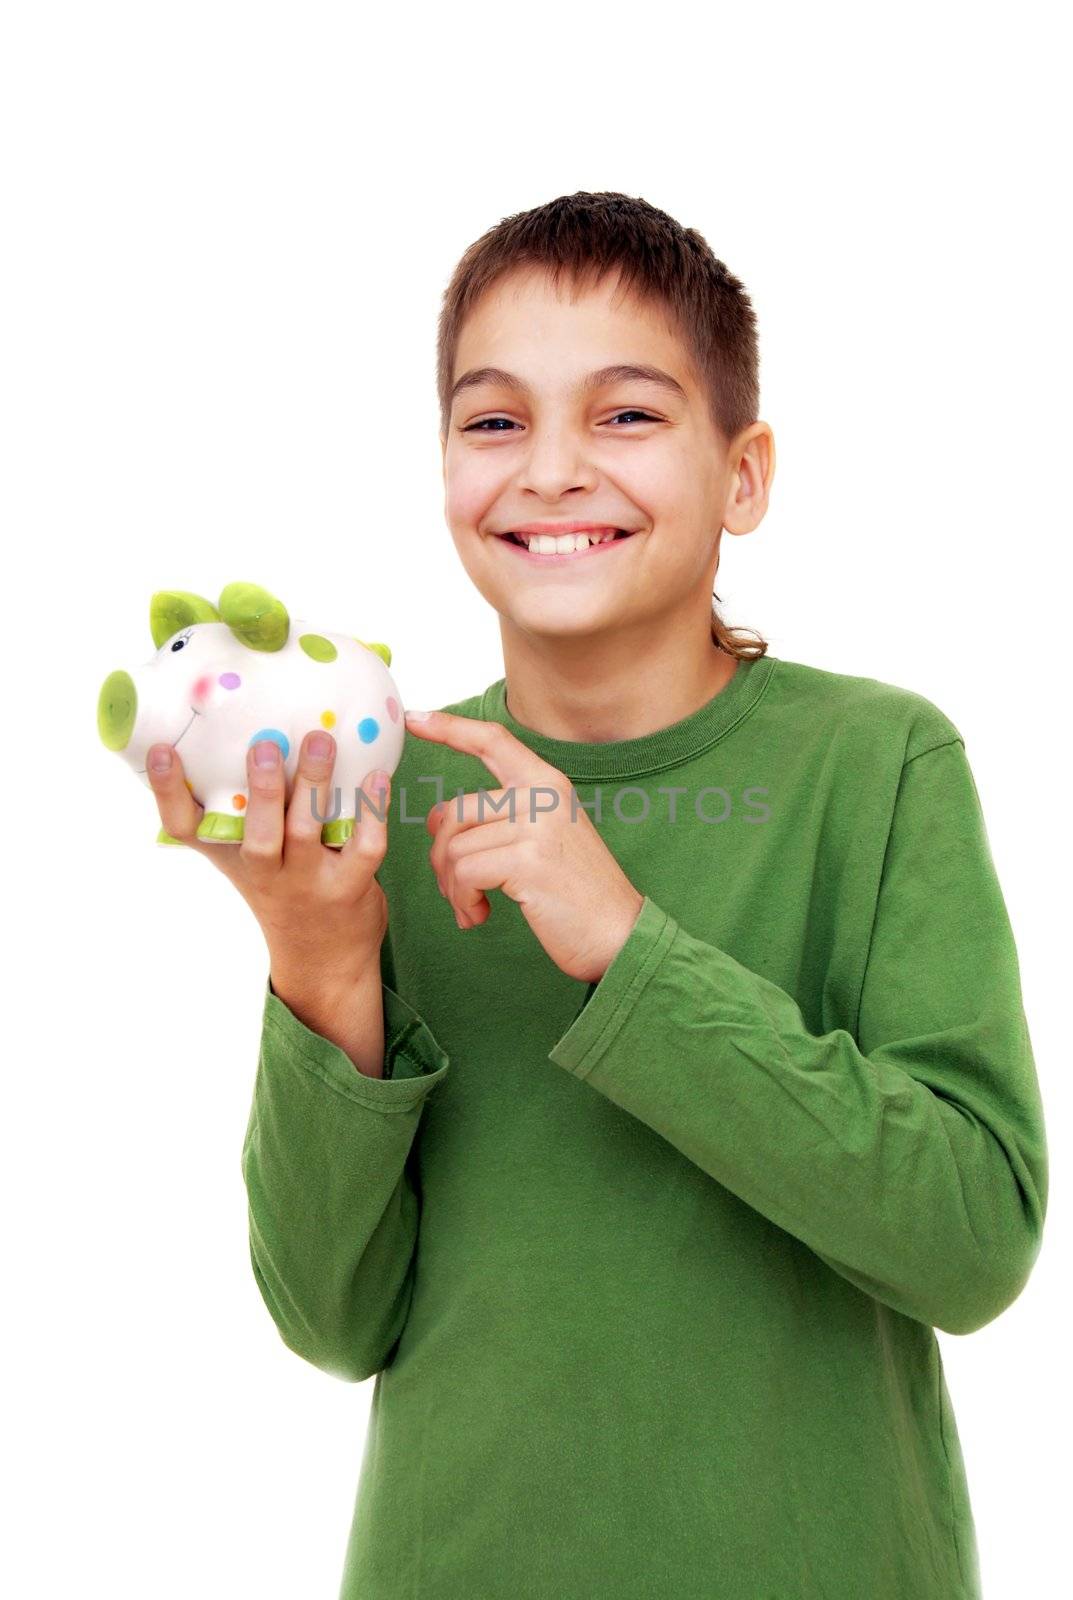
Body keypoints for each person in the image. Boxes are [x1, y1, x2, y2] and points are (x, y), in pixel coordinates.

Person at [147, 191, 1049, 1599]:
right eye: (492, 421)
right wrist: (317, 955)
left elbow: (971, 1243)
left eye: (625, 415)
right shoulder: (380, 794)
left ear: (742, 474)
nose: (551, 470)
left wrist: (626, 946)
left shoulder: (875, 763)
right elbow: (332, 1322)